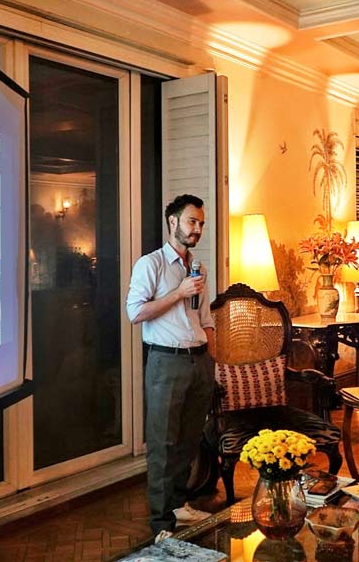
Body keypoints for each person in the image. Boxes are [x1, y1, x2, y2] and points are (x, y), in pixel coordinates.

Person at [125, 194, 215, 539]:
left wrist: (212, 360)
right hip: (166, 361)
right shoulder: (150, 265)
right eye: (192, 221)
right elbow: (135, 313)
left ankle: (178, 505)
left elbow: (205, 317)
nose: (197, 229)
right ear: (173, 222)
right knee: (162, 444)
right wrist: (178, 292)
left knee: (189, 440)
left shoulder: (199, 268)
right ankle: (161, 523)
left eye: (201, 224)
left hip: (199, 361)